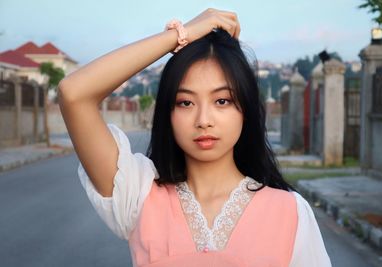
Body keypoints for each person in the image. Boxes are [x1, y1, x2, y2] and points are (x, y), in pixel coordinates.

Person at [59, 8, 332, 267]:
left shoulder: (289, 212)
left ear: (245, 111)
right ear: (168, 113)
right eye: (185, 103)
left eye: (222, 101)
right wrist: (181, 34)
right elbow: (74, 94)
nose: (203, 120)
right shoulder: (138, 196)